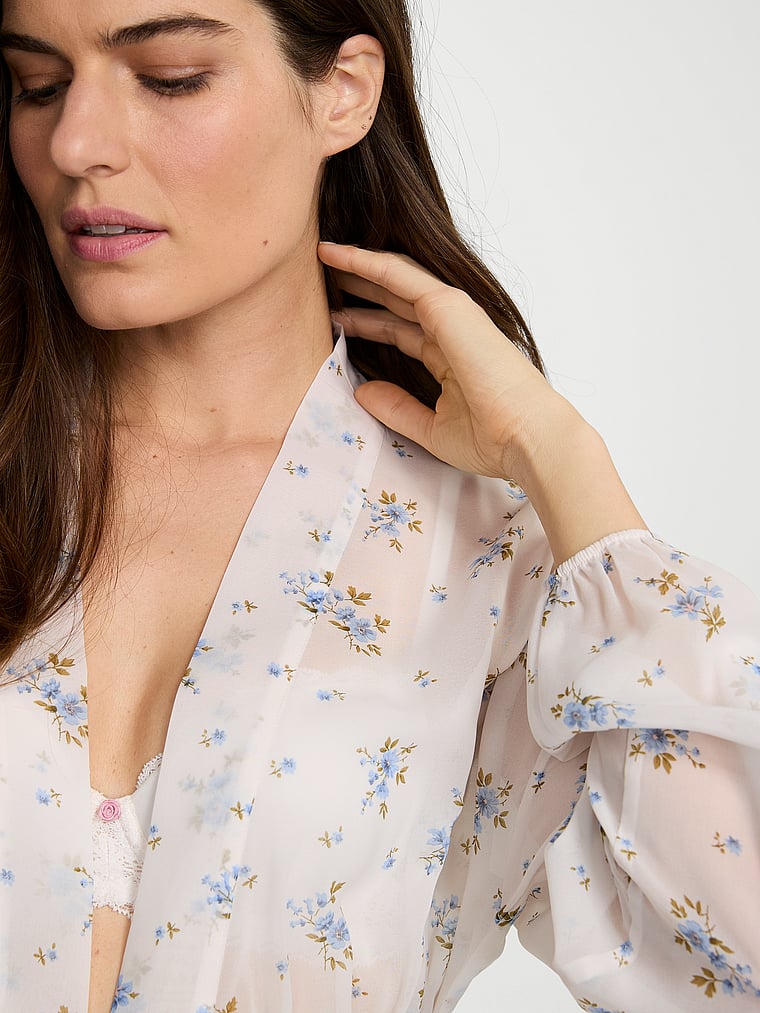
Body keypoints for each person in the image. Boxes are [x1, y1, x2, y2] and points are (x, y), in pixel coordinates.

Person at [0, 1, 757, 1011]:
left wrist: (564, 459)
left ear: (344, 92)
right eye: (38, 86)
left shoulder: (494, 566)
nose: (75, 144)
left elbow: (730, 962)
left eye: (171, 77)